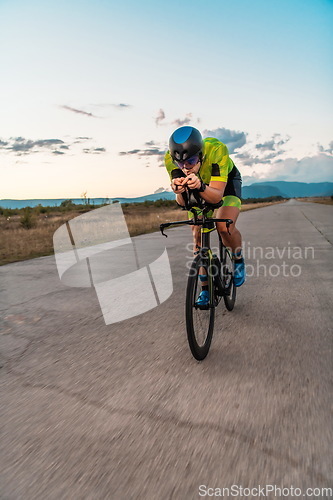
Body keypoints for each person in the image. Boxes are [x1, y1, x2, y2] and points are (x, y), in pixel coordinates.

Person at [164, 126, 245, 306]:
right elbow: (183, 202)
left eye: (191, 161)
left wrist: (200, 186)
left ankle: (238, 258)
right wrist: (179, 191)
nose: (186, 168)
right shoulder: (171, 160)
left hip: (226, 184)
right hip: (198, 186)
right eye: (180, 163)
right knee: (197, 237)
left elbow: (216, 197)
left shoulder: (217, 150)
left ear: (200, 154)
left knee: (224, 226)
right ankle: (205, 290)